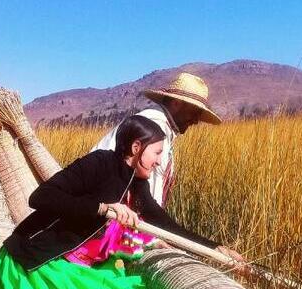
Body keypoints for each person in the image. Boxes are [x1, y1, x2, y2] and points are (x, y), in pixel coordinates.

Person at [0, 115, 242, 289]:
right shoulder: (98, 163)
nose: (158, 162)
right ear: (136, 147)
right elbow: (40, 197)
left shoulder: (135, 181)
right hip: (32, 260)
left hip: (64, 259)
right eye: (156, 153)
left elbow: (163, 223)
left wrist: (213, 248)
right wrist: (101, 207)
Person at [92, 72, 222, 207]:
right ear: (176, 103)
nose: (196, 120)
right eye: (194, 112)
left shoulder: (157, 125)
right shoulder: (155, 129)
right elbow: (148, 200)